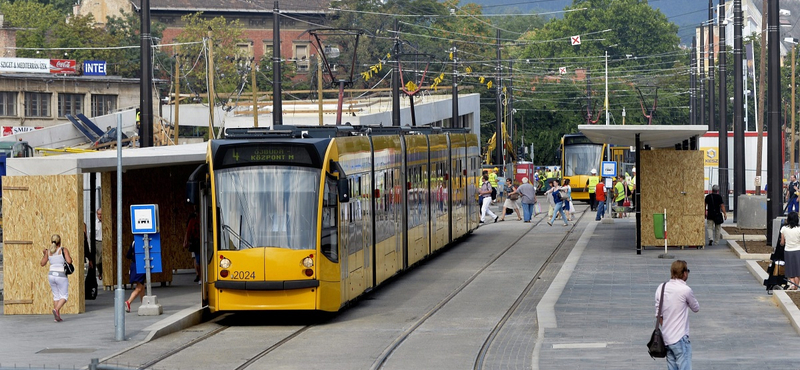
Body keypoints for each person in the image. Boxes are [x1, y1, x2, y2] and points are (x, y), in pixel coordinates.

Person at [655, 260, 699, 370]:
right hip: (680, 337)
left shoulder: (661, 287)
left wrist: (667, 327)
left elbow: (658, 314)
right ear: (684, 273)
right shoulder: (685, 290)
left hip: (666, 338)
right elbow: (696, 308)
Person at [40, 234, 71, 322]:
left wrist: (45, 254)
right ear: (59, 242)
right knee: (64, 296)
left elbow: (42, 263)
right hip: (61, 275)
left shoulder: (49, 251)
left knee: (56, 296)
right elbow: (69, 261)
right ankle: (56, 309)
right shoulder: (63, 250)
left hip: (51, 275)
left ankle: (57, 317)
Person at [124, 240, 146, 313]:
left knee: (142, 285)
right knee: (139, 287)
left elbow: (128, 255)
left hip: (134, 265)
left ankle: (143, 304)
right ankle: (128, 302)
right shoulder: (145, 242)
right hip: (141, 265)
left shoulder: (134, 242)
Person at [780, 212, 800, 290]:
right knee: (797, 270)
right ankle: (796, 286)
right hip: (798, 250)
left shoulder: (784, 229)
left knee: (790, 269)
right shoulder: (799, 229)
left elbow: (782, 242)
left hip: (788, 250)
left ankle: (792, 284)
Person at [184, 210, 202, 283]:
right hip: (197, 242)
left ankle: (199, 275)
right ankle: (200, 276)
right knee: (199, 260)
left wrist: (186, 241)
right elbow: (188, 232)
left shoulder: (192, 221)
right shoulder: (198, 220)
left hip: (195, 242)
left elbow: (188, 231)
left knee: (197, 260)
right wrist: (186, 241)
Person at [94, 208, 103, 279]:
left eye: (101, 214)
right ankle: (100, 271)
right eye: (98, 214)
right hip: (98, 242)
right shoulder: (95, 223)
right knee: (97, 261)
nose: (99, 216)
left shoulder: (107, 222)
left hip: (106, 241)